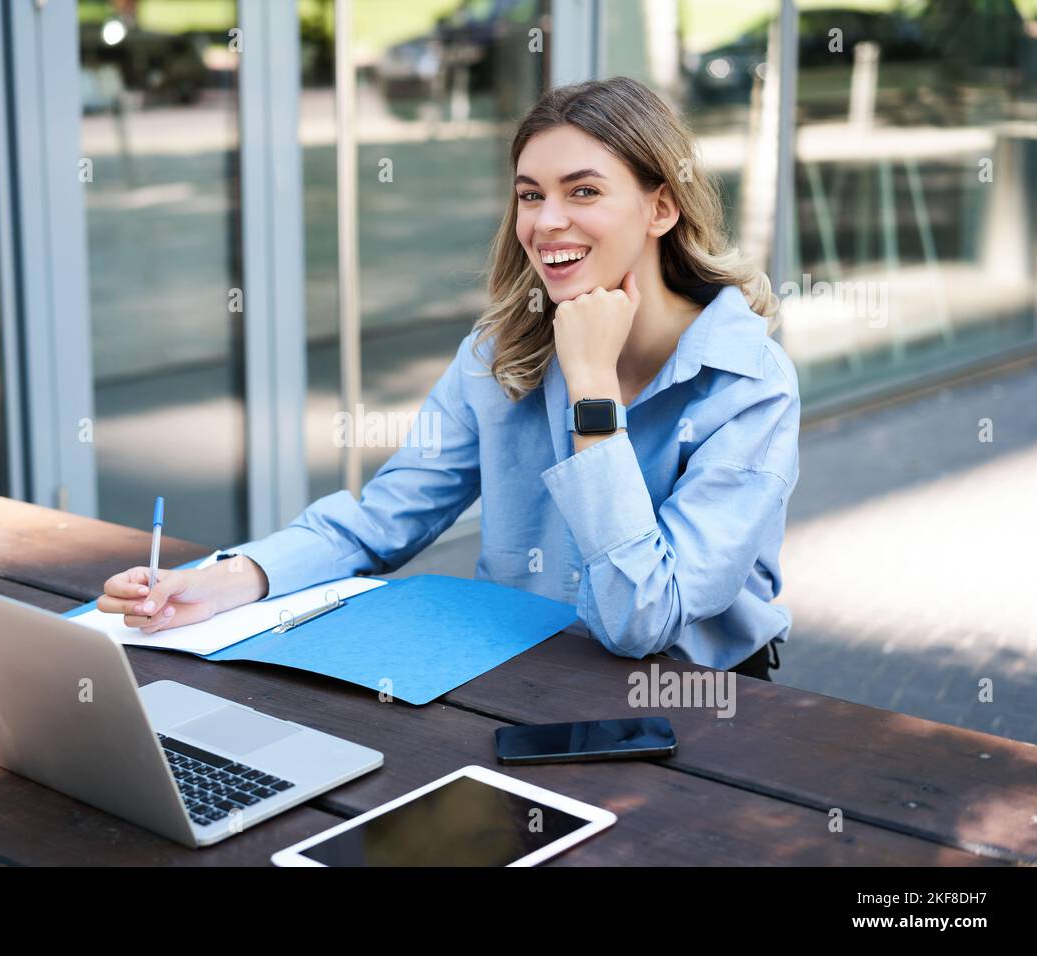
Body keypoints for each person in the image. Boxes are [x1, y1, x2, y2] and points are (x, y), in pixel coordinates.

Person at [97, 77, 800, 681]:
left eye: (583, 191)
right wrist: (220, 583)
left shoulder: (749, 384)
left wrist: (592, 394)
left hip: (694, 705)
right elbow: (385, 518)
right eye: (530, 195)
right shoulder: (504, 352)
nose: (548, 222)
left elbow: (642, 618)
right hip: (517, 672)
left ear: (661, 208)